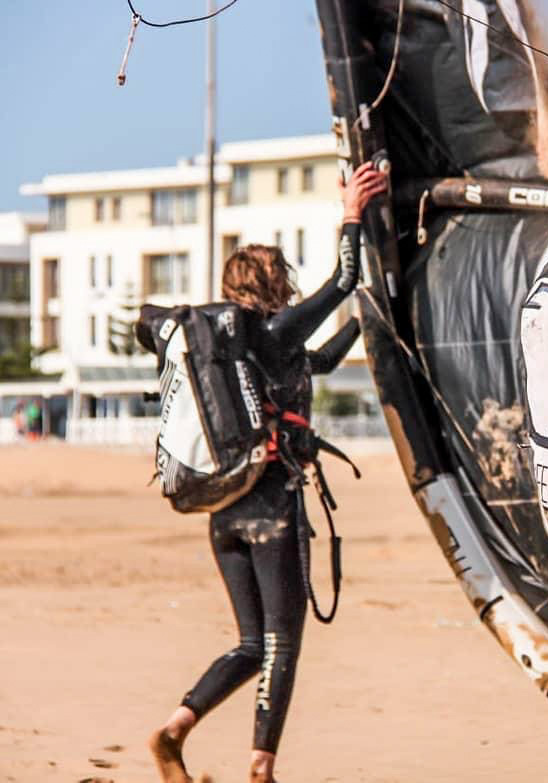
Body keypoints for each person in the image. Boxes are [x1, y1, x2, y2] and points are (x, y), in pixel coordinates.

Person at [148, 162, 388, 783]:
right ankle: (261, 768)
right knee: (282, 642)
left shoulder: (242, 349)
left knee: (251, 644)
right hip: (273, 509)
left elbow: (324, 359)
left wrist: (373, 320)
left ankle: (175, 729)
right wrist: (352, 213)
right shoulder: (274, 331)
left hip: (223, 509)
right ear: (274, 284)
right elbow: (342, 278)